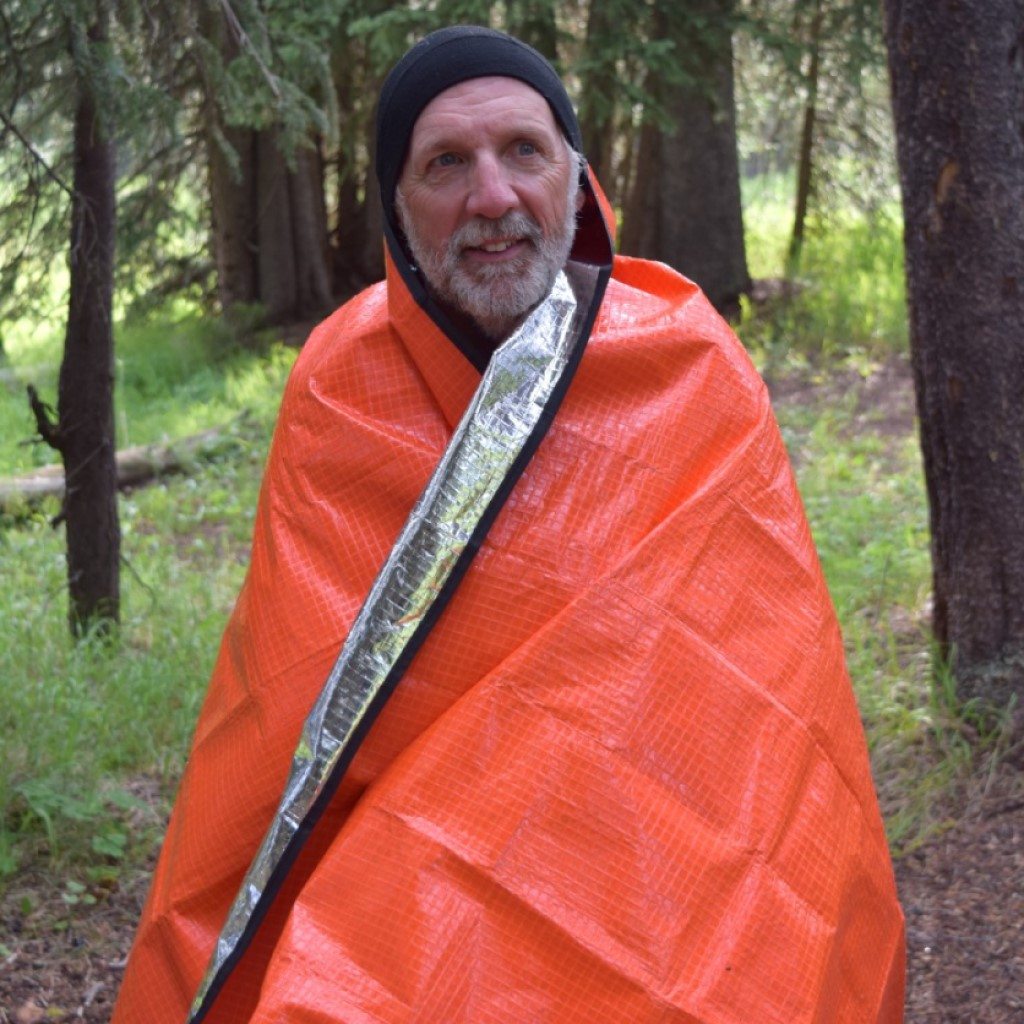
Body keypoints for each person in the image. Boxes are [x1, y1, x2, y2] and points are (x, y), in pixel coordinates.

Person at [113, 26, 905, 1024]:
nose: (492, 198)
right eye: (446, 163)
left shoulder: (687, 360)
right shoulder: (341, 386)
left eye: (522, 152)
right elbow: (282, 719)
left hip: (677, 887)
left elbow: (763, 705)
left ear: (575, 177)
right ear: (396, 208)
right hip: (403, 905)